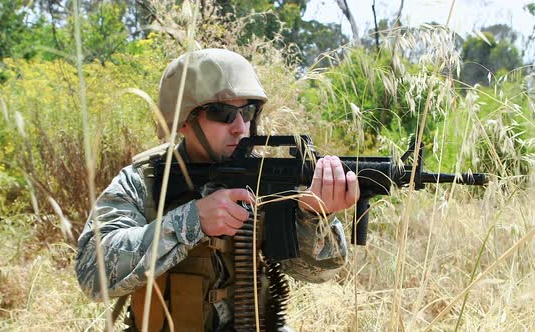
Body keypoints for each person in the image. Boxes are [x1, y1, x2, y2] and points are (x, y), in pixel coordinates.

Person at [75, 48, 360, 331]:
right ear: (183, 120)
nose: (240, 127)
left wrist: (315, 218)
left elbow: (318, 273)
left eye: (247, 111)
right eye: (222, 113)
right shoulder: (147, 181)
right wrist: (190, 221)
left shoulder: (266, 177)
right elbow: (91, 273)